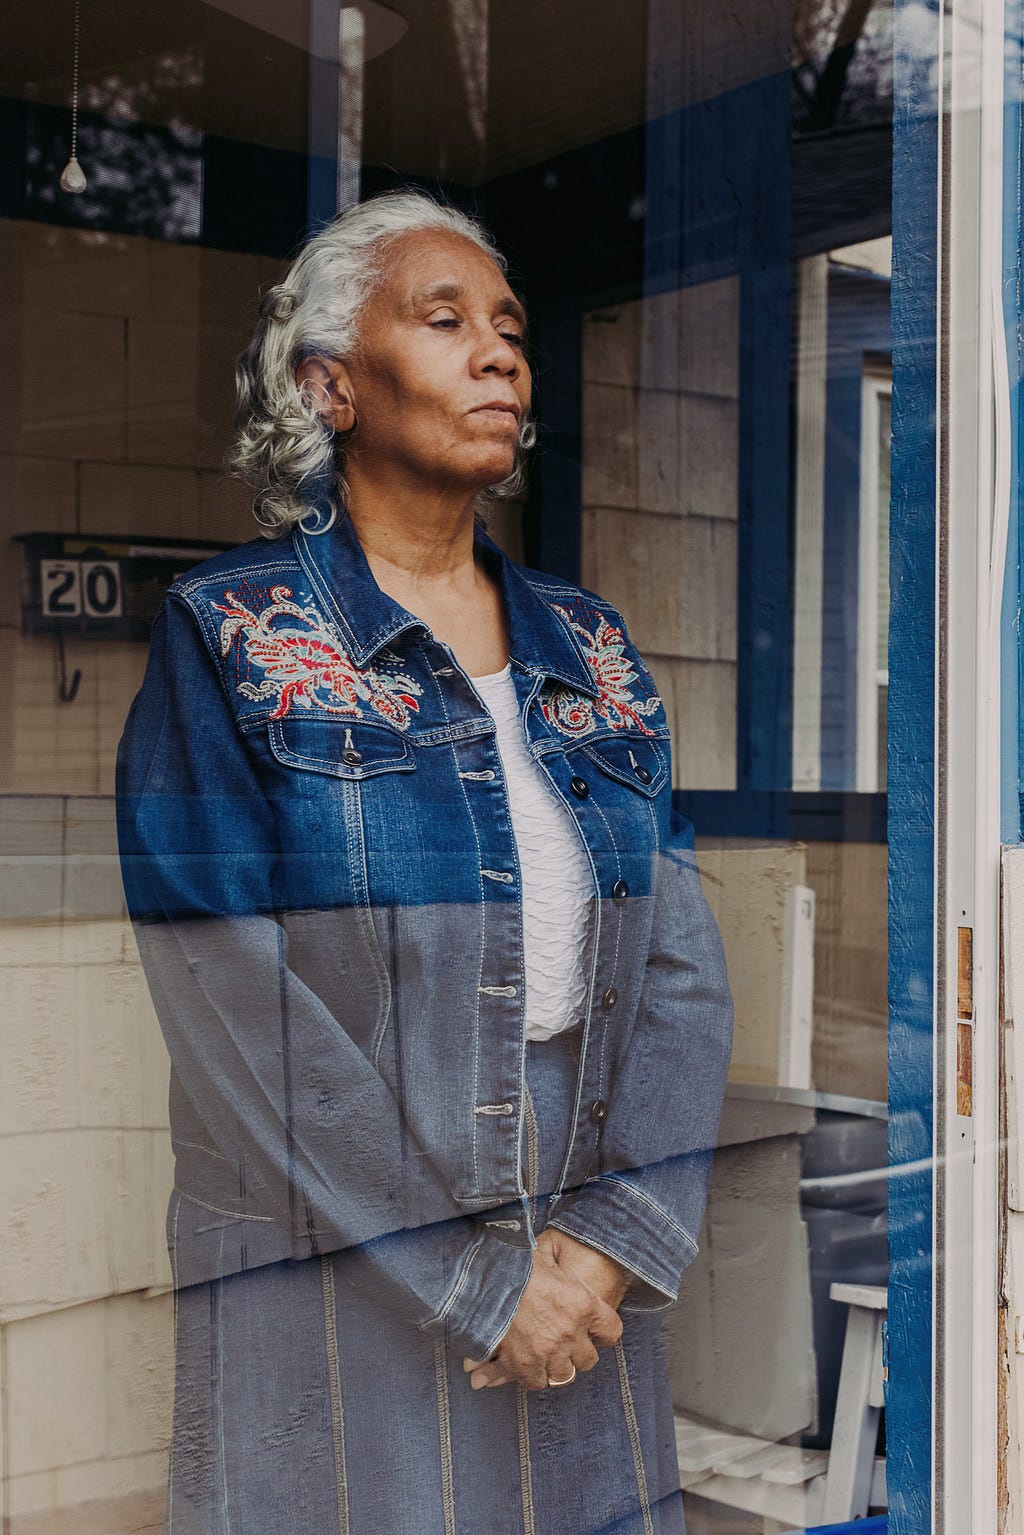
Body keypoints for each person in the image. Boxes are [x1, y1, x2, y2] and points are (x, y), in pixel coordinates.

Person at [116, 189, 733, 1535]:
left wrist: (604, 1249)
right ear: (331, 384)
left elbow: (678, 967)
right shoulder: (232, 634)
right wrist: (472, 1281)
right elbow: (230, 999)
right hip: (328, 1254)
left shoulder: (592, 645)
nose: (502, 352)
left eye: (509, 327)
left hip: (576, 1260)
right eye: (444, 319)